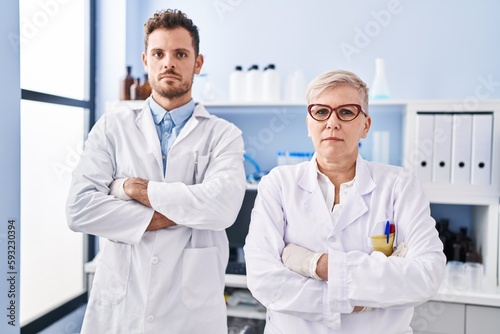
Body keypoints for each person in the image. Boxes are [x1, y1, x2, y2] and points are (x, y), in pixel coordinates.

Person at [66, 9, 246, 334]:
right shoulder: (112, 127)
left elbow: (223, 208)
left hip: (190, 316)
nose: (169, 63)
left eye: (180, 54)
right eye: (158, 54)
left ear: (198, 62)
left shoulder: (223, 134)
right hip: (122, 307)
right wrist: (181, 211)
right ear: (146, 60)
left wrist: (132, 190)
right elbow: (79, 209)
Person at [243, 69, 446, 333]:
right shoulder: (278, 184)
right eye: (321, 112)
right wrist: (361, 298)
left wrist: (315, 264)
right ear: (309, 122)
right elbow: (264, 280)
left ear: (365, 125)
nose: (332, 122)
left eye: (347, 112)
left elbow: (427, 275)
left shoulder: (399, 185)